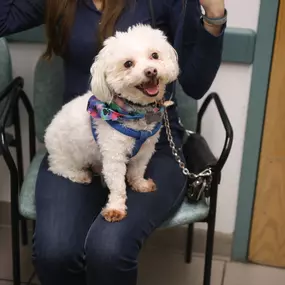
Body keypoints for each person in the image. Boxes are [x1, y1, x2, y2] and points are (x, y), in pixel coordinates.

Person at [0, 0, 226, 284]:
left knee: (108, 251)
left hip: (153, 146)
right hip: (81, 141)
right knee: (54, 253)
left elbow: (194, 83)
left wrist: (215, 14)